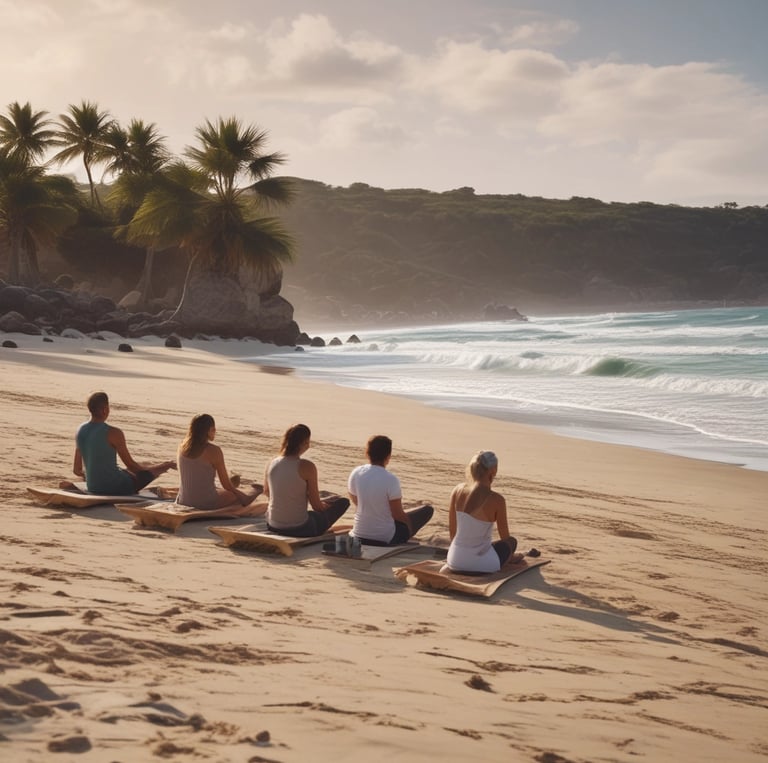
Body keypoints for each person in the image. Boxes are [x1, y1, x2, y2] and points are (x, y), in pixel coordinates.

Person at [71, 391, 175, 495]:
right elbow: (132, 466)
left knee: (143, 465)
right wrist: (163, 466)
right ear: (104, 410)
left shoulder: (80, 430)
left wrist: (93, 475)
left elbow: (77, 470)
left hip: (93, 487)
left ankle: (157, 467)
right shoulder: (113, 432)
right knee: (147, 472)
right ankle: (168, 464)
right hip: (117, 487)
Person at [264, 424, 350, 537]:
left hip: (273, 524)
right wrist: (326, 506)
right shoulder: (307, 466)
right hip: (299, 528)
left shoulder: (271, 462)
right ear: (304, 443)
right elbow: (316, 506)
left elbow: (266, 492)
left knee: (311, 513)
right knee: (343, 502)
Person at [348, 435, 433, 546]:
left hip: (358, 534)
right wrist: (408, 526)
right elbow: (397, 515)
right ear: (388, 456)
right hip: (383, 538)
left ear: (367, 453)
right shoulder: (391, 479)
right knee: (427, 510)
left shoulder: (356, 473)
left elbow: (356, 502)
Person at [446, 450, 520, 573]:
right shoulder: (497, 500)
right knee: (511, 542)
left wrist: (457, 555)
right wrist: (510, 556)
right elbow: (505, 537)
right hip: (482, 565)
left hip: (454, 560)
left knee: (489, 544)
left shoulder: (457, 490)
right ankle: (507, 560)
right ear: (493, 471)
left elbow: (452, 531)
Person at [177, 413, 263, 509]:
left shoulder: (182, 446)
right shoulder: (214, 450)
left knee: (221, 489)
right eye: (213, 429)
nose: (215, 431)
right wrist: (241, 496)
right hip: (204, 503)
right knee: (233, 494)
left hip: (183, 500)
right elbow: (226, 485)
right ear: (208, 430)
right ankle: (255, 491)